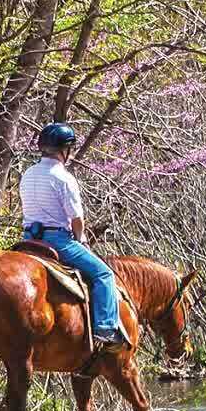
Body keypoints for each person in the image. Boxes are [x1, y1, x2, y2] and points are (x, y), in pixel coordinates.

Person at [20, 122, 129, 363]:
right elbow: (76, 219)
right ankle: (106, 329)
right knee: (104, 274)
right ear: (65, 149)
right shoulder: (64, 178)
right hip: (57, 240)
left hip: (28, 239)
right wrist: (81, 239)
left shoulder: (27, 174)